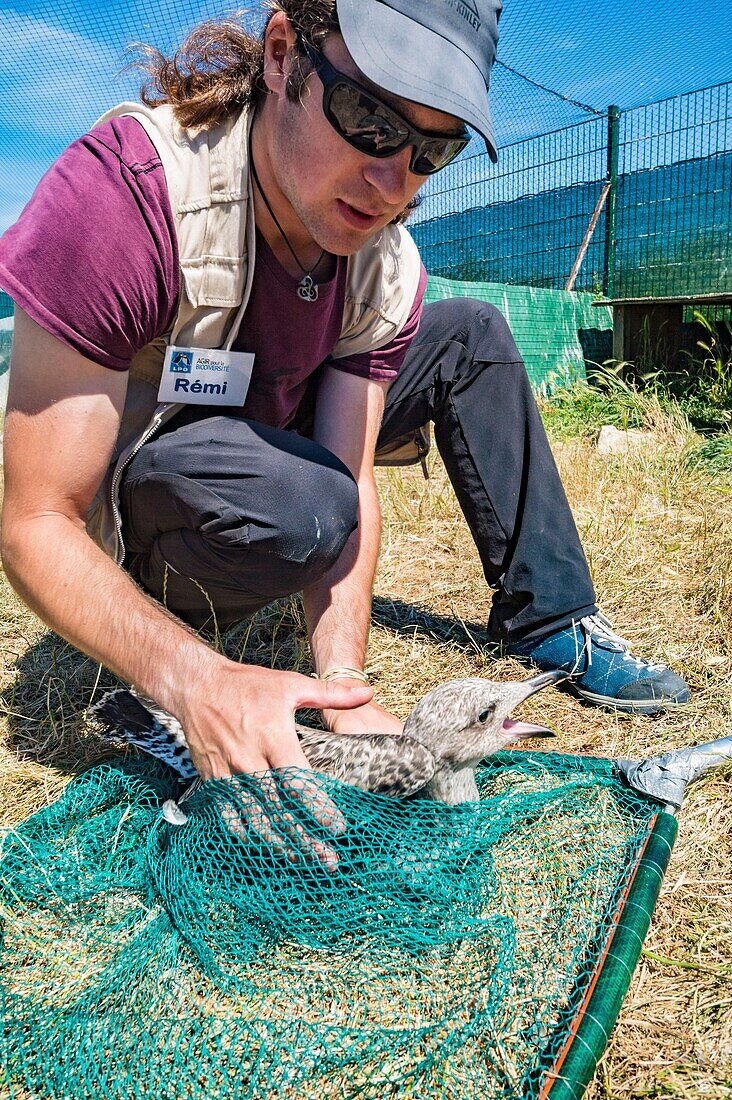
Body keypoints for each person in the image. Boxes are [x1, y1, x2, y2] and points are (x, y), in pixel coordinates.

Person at [0, 0, 689, 801]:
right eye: (369, 117)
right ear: (283, 54)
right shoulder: (127, 197)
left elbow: (352, 470)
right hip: (166, 455)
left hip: (282, 428)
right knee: (306, 506)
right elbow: (35, 521)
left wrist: (344, 684)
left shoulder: (387, 268)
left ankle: (552, 623)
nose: (395, 181)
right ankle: (172, 592)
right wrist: (195, 678)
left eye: (435, 148)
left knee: (471, 336)